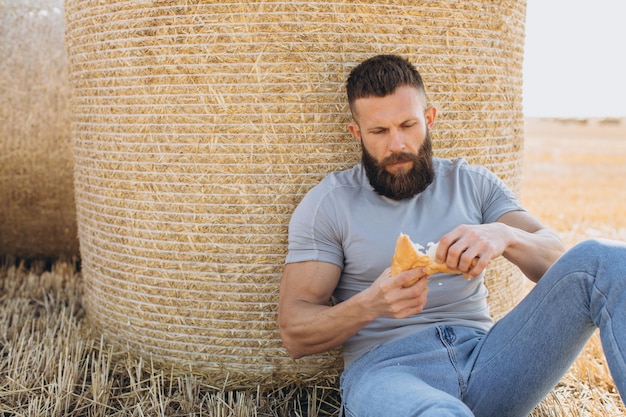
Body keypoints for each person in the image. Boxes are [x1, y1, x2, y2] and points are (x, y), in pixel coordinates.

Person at [278, 54, 626, 417]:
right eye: (379, 132)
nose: (396, 144)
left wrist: (504, 235)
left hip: (490, 359)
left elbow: (563, 266)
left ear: (429, 119)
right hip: (387, 372)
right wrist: (371, 304)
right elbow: (295, 333)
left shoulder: (472, 184)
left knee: (607, 260)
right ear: (357, 133)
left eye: (408, 124)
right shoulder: (329, 203)